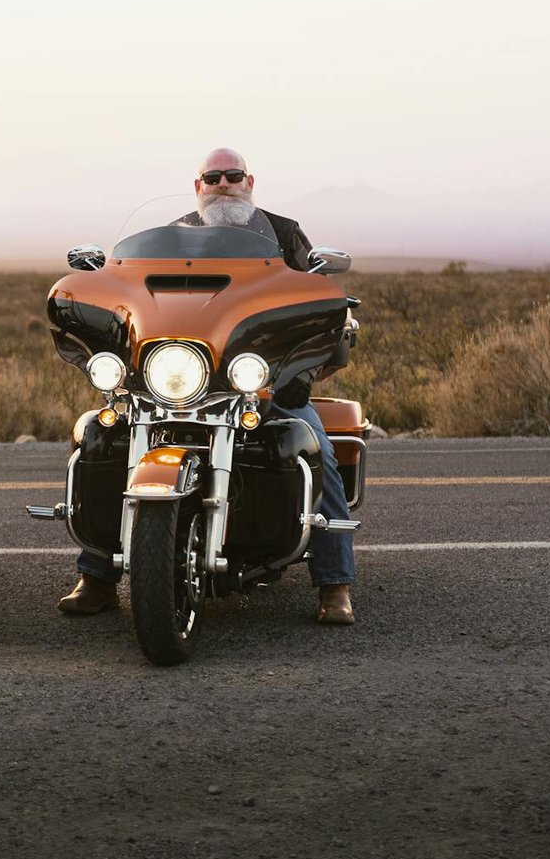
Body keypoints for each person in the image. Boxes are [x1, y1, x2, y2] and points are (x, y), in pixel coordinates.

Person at [57, 147, 357, 625]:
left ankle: (335, 584)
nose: (222, 184)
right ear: (198, 186)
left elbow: (311, 297)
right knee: (106, 443)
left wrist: (285, 370)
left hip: (261, 382)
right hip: (177, 376)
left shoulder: (283, 233)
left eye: (232, 175)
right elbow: (134, 291)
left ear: (249, 181)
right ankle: (96, 576)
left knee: (315, 449)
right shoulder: (171, 237)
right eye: (212, 177)